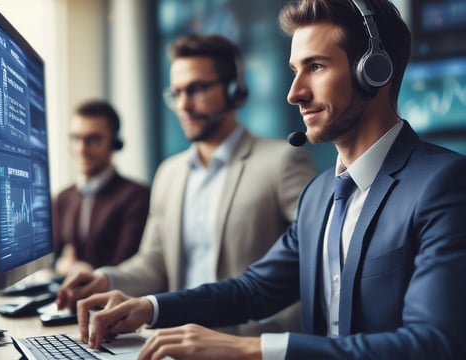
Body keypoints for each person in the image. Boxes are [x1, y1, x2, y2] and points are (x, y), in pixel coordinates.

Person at [76, 0, 466, 359]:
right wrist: (151, 307)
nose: (294, 93)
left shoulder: (442, 184)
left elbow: (432, 343)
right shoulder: (319, 195)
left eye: (315, 67)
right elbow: (255, 289)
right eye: (296, 70)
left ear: (373, 70)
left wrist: (252, 350)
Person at [57, 34, 316, 335]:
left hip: (251, 344)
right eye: (176, 93)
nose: (184, 105)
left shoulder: (283, 162)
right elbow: (154, 263)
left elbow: (315, 257)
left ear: (234, 90)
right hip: (179, 342)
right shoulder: (169, 173)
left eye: (196, 89)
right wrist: (106, 279)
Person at [52, 100, 150, 275]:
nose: (82, 148)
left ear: (115, 143)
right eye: (76, 139)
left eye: (93, 139)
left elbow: (125, 268)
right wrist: (60, 265)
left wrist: (79, 270)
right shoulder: (62, 198)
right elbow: (49, 261)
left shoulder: (137, 197)